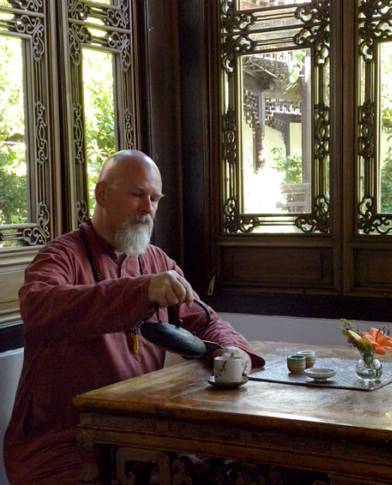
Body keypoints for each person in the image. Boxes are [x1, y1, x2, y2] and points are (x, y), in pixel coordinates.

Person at [4, 150, 265, 485]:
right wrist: (140, 292)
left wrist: (233, 350)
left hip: (142, 438)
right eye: (137, 195)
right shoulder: (60, 256)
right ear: (101, 194)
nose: (148, 209)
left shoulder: (157, 262)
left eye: (155, 199)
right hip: (66, 445)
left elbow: (203, 320)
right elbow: (40, 308)